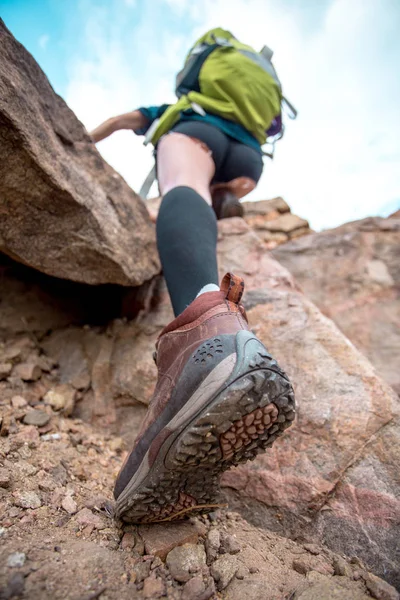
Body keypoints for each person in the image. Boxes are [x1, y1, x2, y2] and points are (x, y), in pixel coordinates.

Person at [90, 28, 295, 523]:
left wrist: (81, 139)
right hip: (248, 157)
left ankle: (204, 328)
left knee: (183, 184)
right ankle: (228, 196)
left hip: (199, 133)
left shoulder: (178, 107)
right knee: (213, 189)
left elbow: (118, 122)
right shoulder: (249, 104)